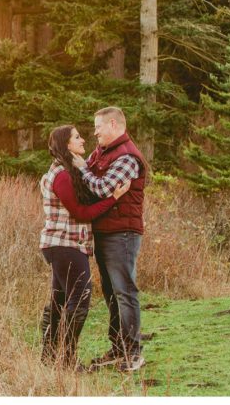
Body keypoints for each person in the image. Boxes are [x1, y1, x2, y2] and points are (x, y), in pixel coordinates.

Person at [39, 125, 129, 370]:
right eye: (77, 137)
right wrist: (114, 198)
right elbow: (81, 212)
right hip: (64, 245)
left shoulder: (69, 171)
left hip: (64, 245)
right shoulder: (61, 175)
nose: (83, 140)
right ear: (66, 144)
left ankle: (49, 357)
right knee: (79, 300)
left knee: (58, 300)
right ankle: (67, 360)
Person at [71, 106, 148, 372]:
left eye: (98, 127)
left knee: (125, 291)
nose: (95, 133)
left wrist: (82, 167)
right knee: (111, 293)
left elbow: (102, 189)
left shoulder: (127, 157)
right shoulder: (101, 153)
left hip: (123, 234)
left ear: (113, 124)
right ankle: (118, 349)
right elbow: (89, 185)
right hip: (104, 231)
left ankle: (133, 352)